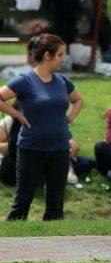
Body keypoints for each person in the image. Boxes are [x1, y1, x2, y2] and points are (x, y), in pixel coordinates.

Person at [0, 34, 84, 220]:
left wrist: (69, 118)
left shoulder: (63, 81)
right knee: (22, 200)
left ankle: (53, 245)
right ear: (47, 55)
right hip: (31, 149)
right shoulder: (25, 80)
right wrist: (18, 115)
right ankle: (12, 244)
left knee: (56, 204)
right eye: (60, 55)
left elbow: (78, 101)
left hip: (60, 149)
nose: (63, 59)